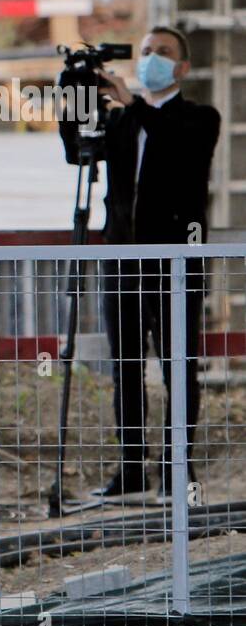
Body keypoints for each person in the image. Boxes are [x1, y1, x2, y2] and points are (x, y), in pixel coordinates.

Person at [59, 27, 220, 498]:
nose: (151, 58)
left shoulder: (198, 118)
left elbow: (175, 149)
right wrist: (72, 98)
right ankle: (131, 467)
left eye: (162, 53)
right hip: (123, 257)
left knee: (178, 366)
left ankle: (177, 469)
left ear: (182, 68)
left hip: (175, 260)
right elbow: (77, 152)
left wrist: (132, 104)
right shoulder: (124, 120)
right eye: (146, 51)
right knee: (126, 365)